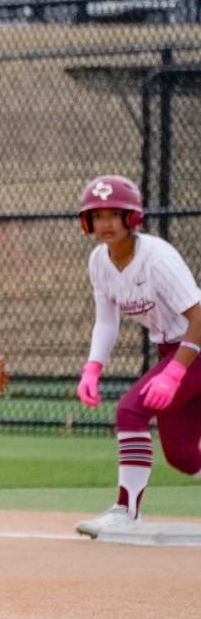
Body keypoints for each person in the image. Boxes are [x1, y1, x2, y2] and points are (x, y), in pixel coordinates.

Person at [70, 175, 201, 538]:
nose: (106, 223)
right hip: (173, 348)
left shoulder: (157, 259)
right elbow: (106, 320)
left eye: (115, 214)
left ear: (132, 217)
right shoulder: (99, 261)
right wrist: (92, 368)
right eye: (97, 216)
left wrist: (174, 373)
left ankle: (126, 510)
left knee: (131, 409)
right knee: (182, 456)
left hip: (194, 343)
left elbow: (198, 316)